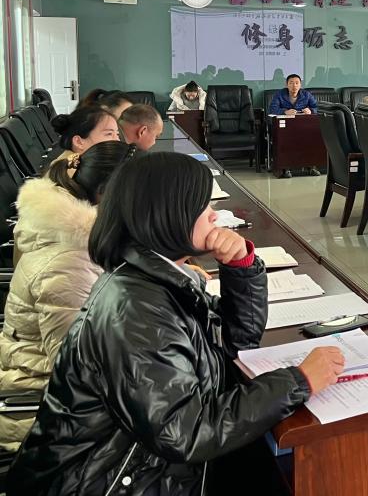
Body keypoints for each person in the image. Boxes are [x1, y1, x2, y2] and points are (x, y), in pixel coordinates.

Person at [7, 152, 346, 495]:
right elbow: (184, 433)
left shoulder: (159, 278)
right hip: (103, 481)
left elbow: (236, 341)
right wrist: (298, 382)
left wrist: (241, 268)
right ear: (166, 214)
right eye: (202, 205)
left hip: (146, 465)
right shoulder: (135, 310)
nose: (213, 215)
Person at [0, 141, 136, 451]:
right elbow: (78, 370)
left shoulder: (80, 238)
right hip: (45, 412)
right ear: (107, 196)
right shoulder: (70, 263)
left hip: (61, 392)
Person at [44, 105, 121, 168]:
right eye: (109, 134)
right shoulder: (71, 175)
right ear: (78, 142)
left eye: (117, 134)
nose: (117, 140)